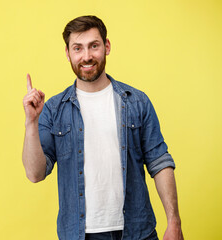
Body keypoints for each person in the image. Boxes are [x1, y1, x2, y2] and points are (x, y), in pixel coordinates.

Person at [22, 15, 183, 240]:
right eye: (78, 48)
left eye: (94, 46)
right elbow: (35, 173)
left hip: (138, 231)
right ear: (68, 53)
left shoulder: (137, 102)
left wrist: (174, 222)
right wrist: (31, 122)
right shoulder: (54, 109)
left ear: (106, 47)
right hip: (80, 234)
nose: (86, 56)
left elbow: (159, 162)